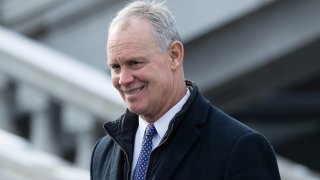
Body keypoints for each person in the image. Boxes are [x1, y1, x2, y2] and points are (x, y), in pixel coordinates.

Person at [90, 0, 281, 179]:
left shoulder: (239, 148)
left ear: (174, 55)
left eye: (135, 63)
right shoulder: (103, 152)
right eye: (115, 67)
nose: (123, 79)